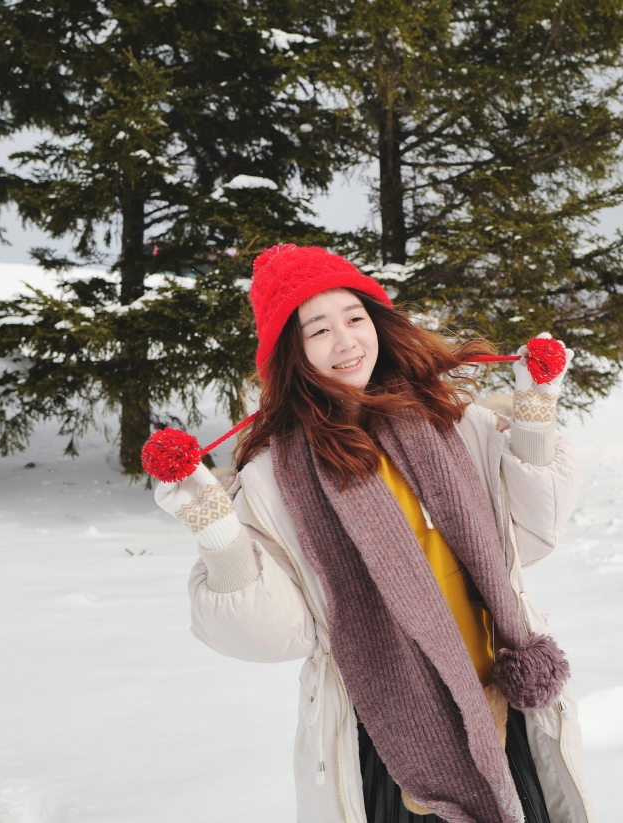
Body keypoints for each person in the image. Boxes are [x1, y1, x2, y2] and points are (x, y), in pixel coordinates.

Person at [154, 245, 591, 823]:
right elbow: (280, 633)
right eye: (318, 329)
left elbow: (531, 536)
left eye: (355, 318)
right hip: (391, 745)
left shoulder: (455, 426)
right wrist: (217, 531)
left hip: (503, 708)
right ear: (291, 352)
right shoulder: (274, 480)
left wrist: (536, 410)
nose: (346, 341)